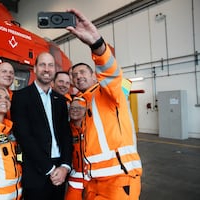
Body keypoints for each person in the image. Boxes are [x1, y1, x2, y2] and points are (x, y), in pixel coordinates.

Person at [65, 8, 143, 200]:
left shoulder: (108, 91)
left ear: (94, 75)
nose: (78, 76)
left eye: (83, 72)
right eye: (74, 75)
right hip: (93, 179)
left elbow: (111, 72)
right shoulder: (81, 101)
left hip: (118, 179)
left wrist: (97, 44)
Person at [10, 52, 73, 200]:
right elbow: (24, 136)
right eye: (42, 65)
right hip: (36, 171)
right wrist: (50, 169)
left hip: (60, 170)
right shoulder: (20, 97)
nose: (47, 69)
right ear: (35, 69)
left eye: (50, 65)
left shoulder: (60, 100)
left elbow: (66, 135)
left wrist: (65, 166)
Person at [65, 97, 87, 200]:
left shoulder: (92, 129)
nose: (75, 110)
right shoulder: (66, 130)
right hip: (75, 178)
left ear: (86, 110)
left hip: (93, 178)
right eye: (72, 108)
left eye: (79, 108)